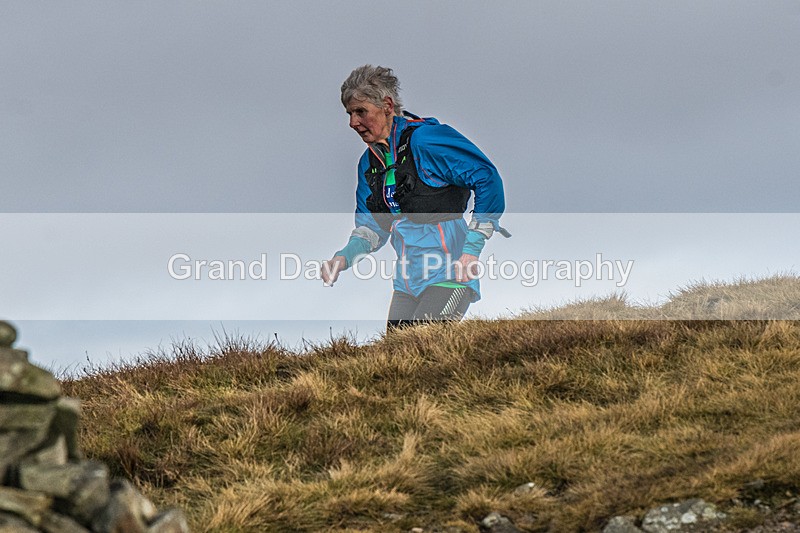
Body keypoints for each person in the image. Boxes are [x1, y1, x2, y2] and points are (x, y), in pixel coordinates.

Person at [322, 65, 508, 330]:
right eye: (349, 113)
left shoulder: (427, 141)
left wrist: (471, 251)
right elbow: (372, 228)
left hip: (450, 273)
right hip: (407, 283)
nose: (353, 122)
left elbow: (487, 178)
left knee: (423, 346)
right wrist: (344, 257)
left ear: (386, 105)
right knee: (396, 360)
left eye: (360, 111)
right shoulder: (369, 164)